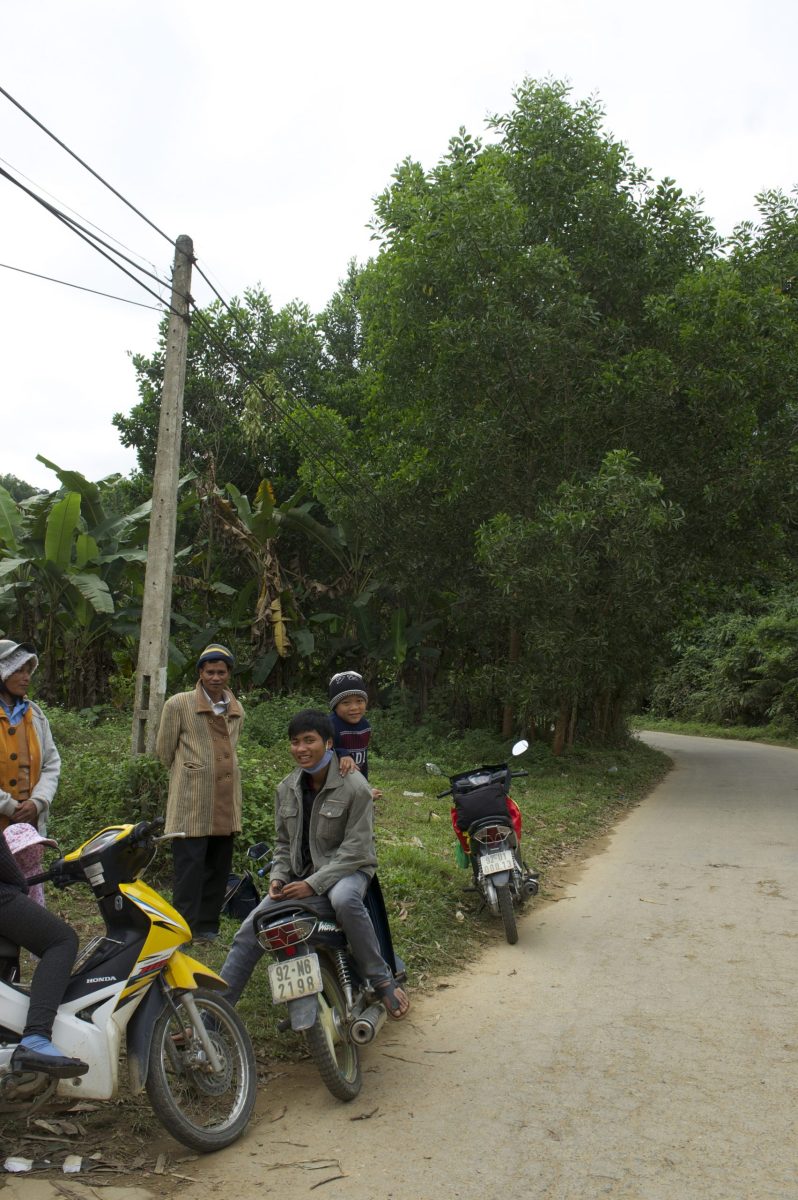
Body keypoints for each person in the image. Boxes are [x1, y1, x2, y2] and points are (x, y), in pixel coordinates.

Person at [221, 708, 409, 1019]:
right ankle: (212, 1020)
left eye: (309, 740)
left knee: (344, 900)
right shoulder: (286, 788)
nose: (301, 749)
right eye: (295, 742)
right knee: (247, 931)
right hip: (300, 878)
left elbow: (356, 849)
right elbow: (283, 844)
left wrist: (312, 884)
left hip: (349, 871)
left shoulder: (355, 787)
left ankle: (381, 979)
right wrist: (278, 877)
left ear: (329, 743)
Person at [156, 643, 244, 945]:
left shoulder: (236, 709)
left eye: (221, 672)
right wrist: (193, 770)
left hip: (225, 799)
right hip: (191, 801)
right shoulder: (178, 704)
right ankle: (183, 930)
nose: (216, 678)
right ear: (200, 673)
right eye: (210, 672)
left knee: (218, 867)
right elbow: (164, 751)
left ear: (228, 674)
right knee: (189, 869)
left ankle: (207, 928)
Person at [0, 640, 61, 834]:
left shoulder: (35, 716)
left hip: (29, 824)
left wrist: (37, 802)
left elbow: (51, 763)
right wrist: (8, 806)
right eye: (18, 670)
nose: (26, 677)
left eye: (28, 671)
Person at [328, 670, 382, 800]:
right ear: (335, 706)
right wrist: (342, 754)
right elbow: (321, 752)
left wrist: (365, 787)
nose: (354, 707)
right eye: (346, 703)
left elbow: (363, 759)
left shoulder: (365, 726)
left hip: (354, 779)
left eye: (359, 701)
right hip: (332, 783)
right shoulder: (329, 725)